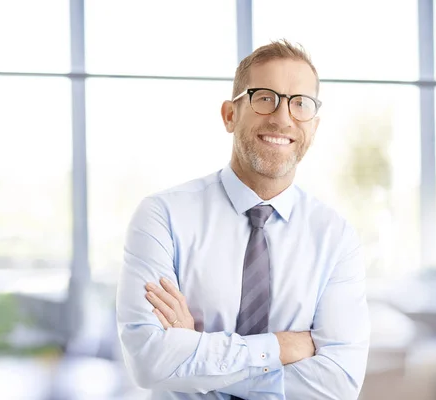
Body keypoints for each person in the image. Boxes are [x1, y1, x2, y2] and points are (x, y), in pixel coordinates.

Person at [116, 39, 370, 399]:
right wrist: (280, 348)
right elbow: (149, 362)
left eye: (300, 104)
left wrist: (195, 354)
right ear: (229, 115)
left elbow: (337, 385)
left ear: (313, 126)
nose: (282, 118)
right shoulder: (163, 217)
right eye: (265, 98)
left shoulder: (336, 238)